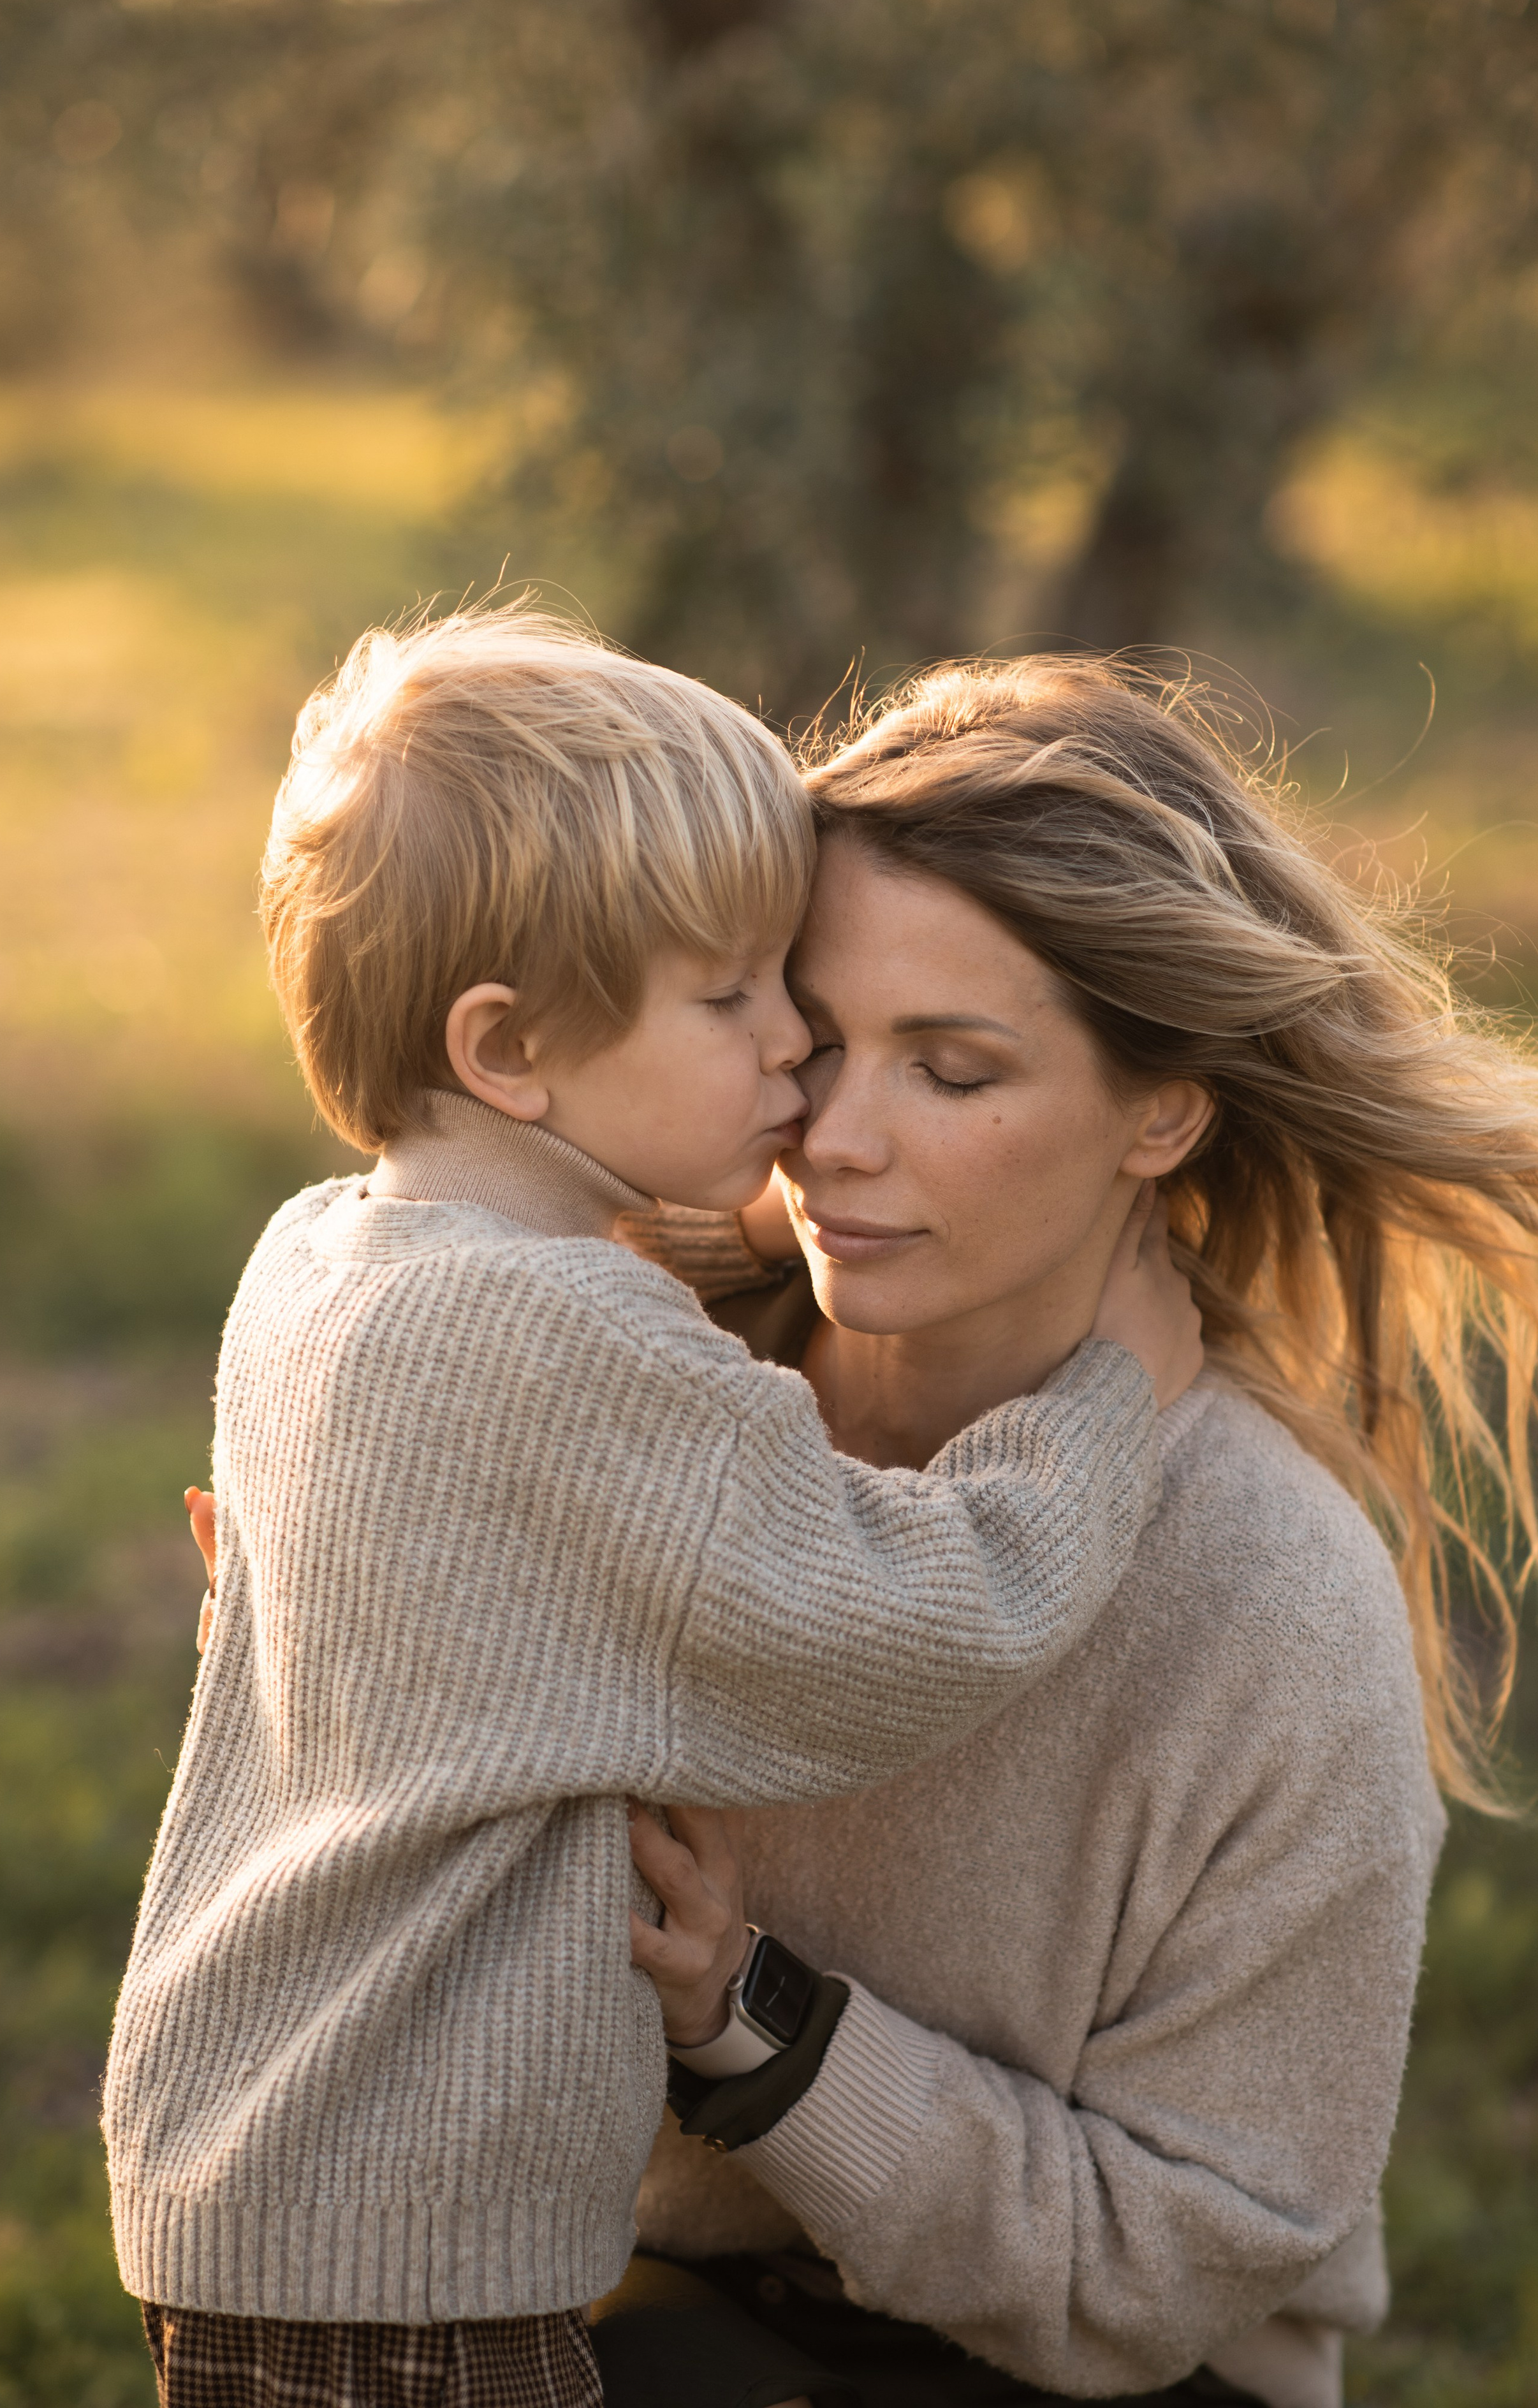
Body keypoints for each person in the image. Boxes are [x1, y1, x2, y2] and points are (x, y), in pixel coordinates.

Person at [106, 610, 1203, 2408]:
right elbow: (916, 1623)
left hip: (259, 2161)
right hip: (417, 2247)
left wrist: (761, 1207)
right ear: (508, 1049)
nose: (794, 1049)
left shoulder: (325, 1257)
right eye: (733, 997)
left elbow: (561, 1280)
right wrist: (1105, 1406)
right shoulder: (573, 1345)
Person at [592, 654, 1538, 2408]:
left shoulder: (1271, 1593)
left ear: (1160, 1111)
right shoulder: (638, 1391)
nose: (834, 1141)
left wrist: (747, 2017)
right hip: (663, 2304)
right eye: (815, 1040)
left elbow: (1169, 2261)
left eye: (952, 1073)